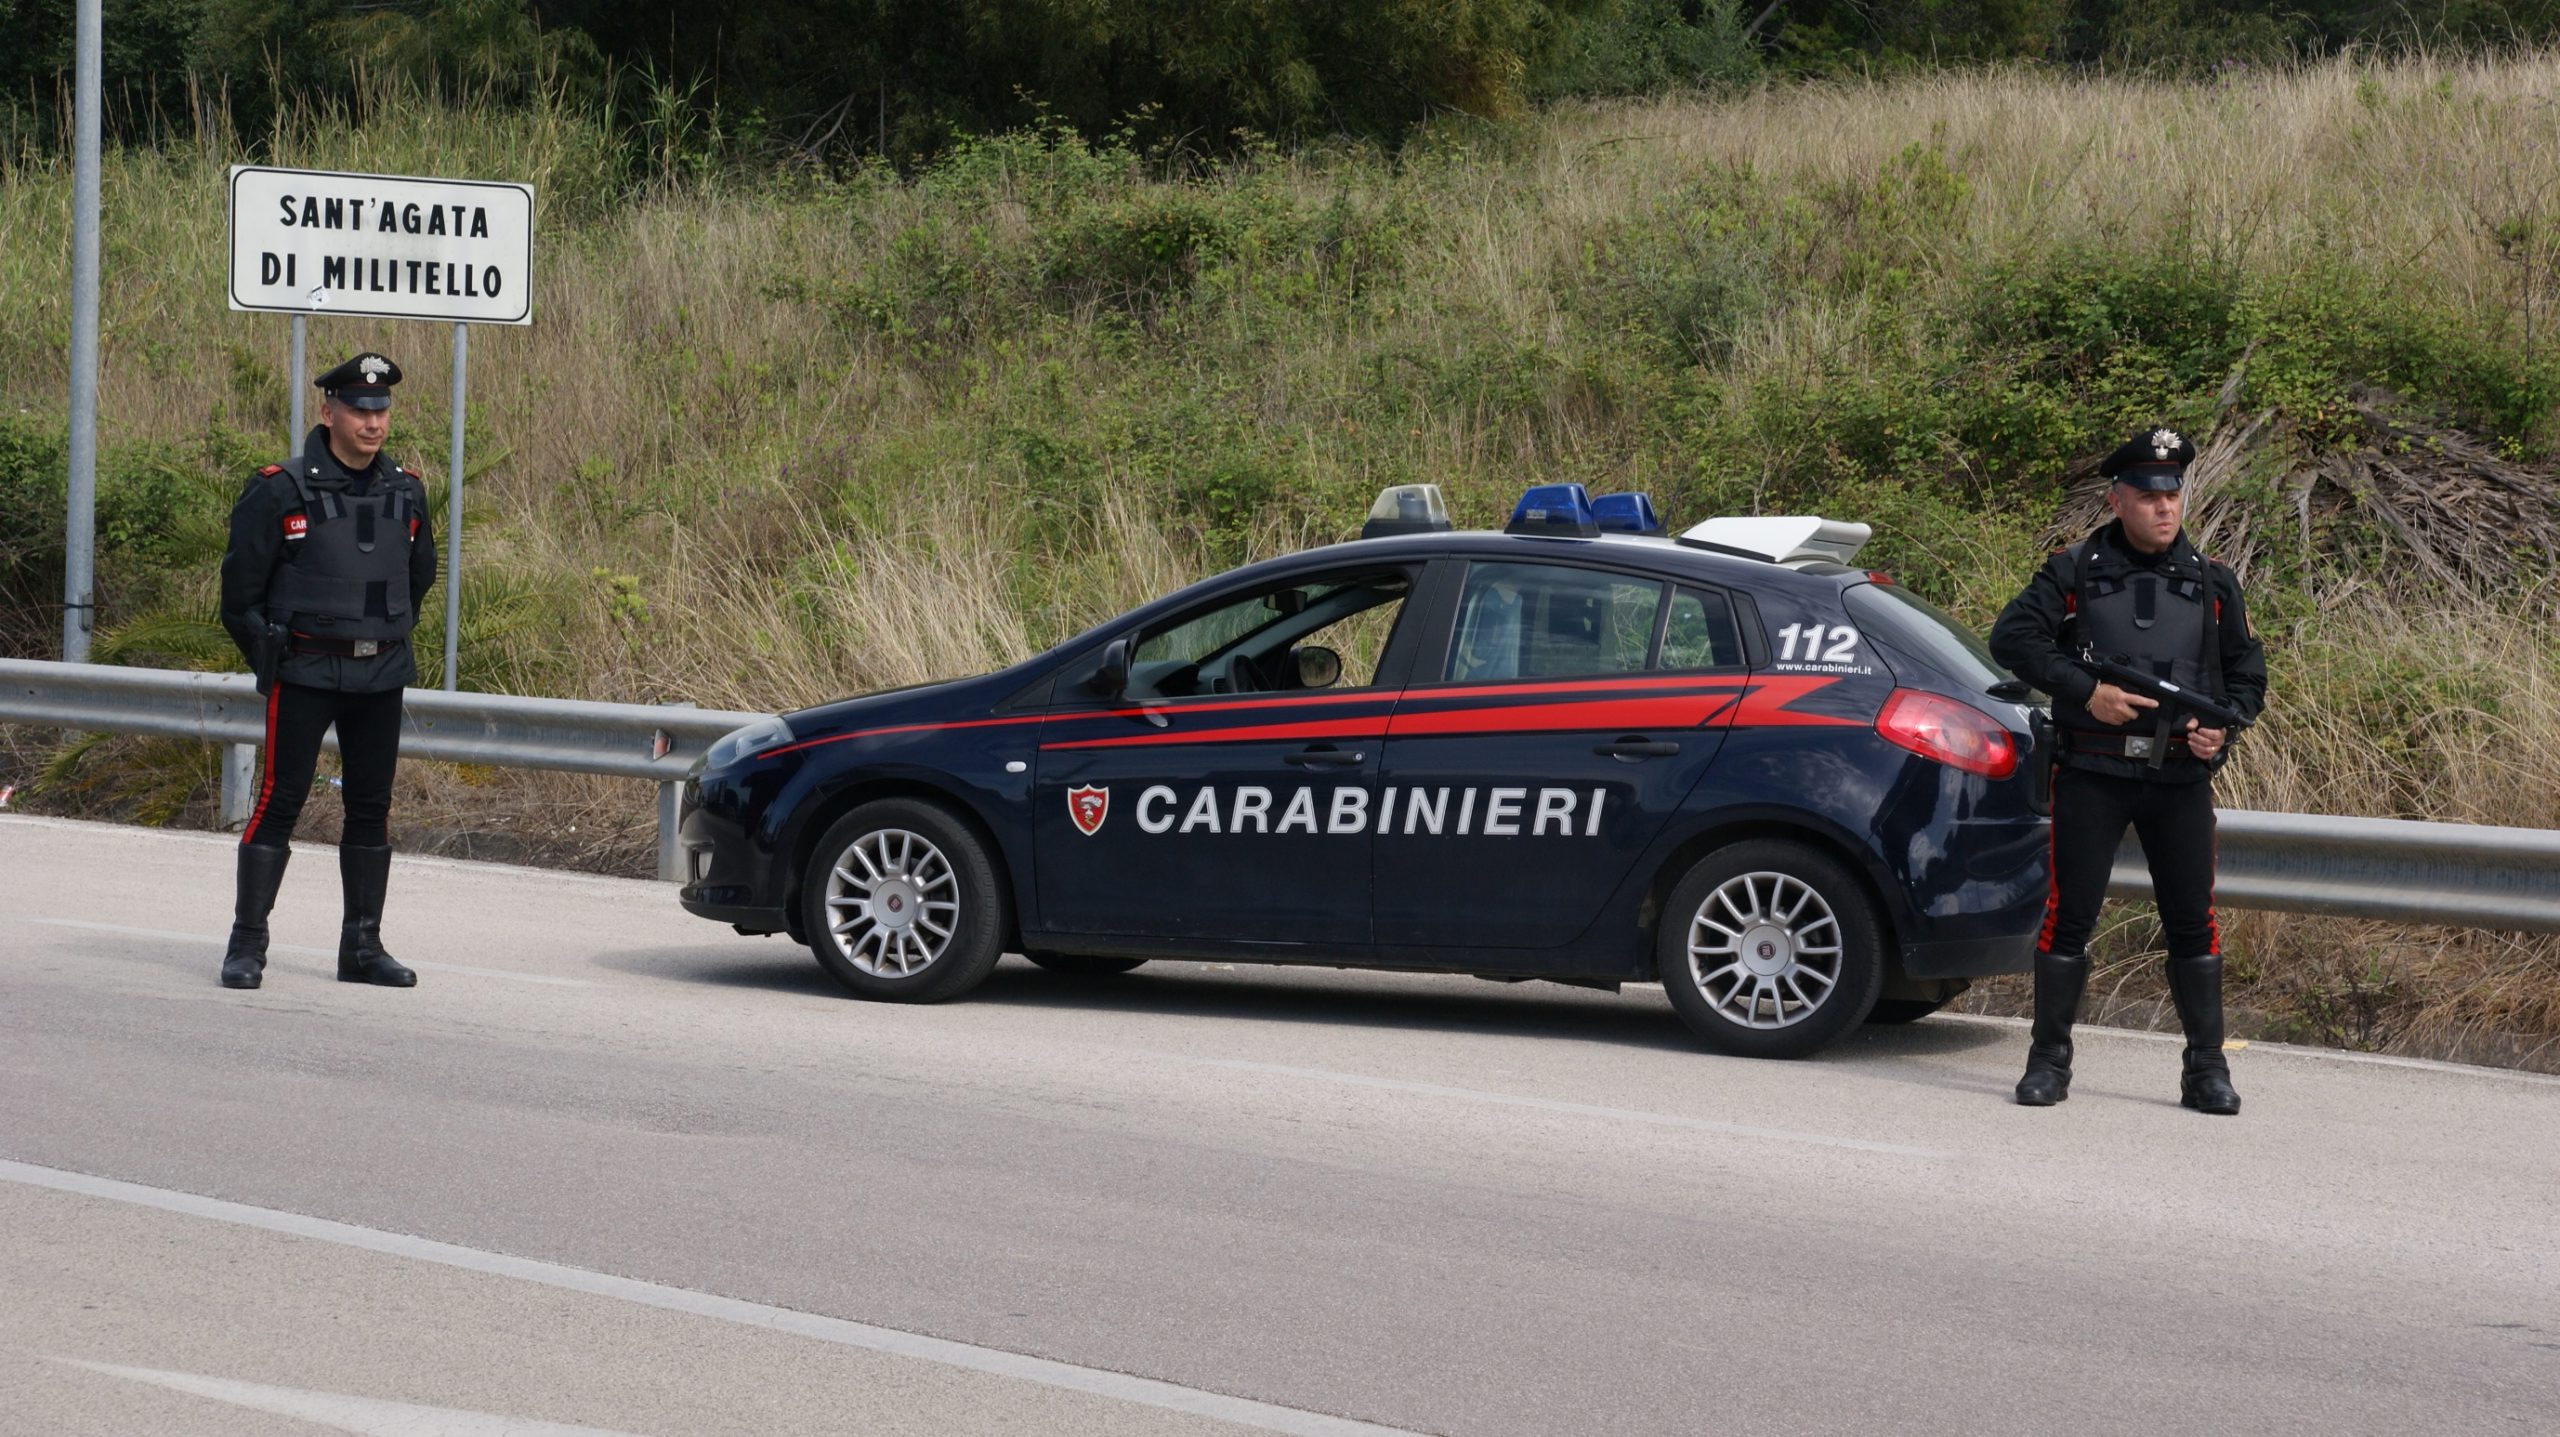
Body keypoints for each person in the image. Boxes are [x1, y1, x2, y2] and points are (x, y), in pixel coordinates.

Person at [1989, 427, 2267, 1114]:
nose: (2163, 506)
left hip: (2178, 780)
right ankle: (2048, 1061)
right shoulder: (2075, 570)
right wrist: (2088, 693)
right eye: (2147, 496)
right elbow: (2012, 638)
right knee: (2069, 920)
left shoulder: (2212, 581)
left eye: (2172, 494)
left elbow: (2246, 675)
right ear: (2117, 500)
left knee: (2193, 924)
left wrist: (2219, 729)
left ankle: (2207, 1069)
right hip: (2092, 773)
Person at [215, 352, 437, 989]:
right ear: (328, 411)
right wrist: (276, 657)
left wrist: (376, 637)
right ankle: (246, 946)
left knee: (372, 809)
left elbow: (418, 578)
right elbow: (239, 599)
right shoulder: (278, 488)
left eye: (381, 409)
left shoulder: (406, 489)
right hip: (306, 673)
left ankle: (362, 949)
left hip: (381, 674)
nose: (372, 422)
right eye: (359, 410)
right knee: (279, 804)